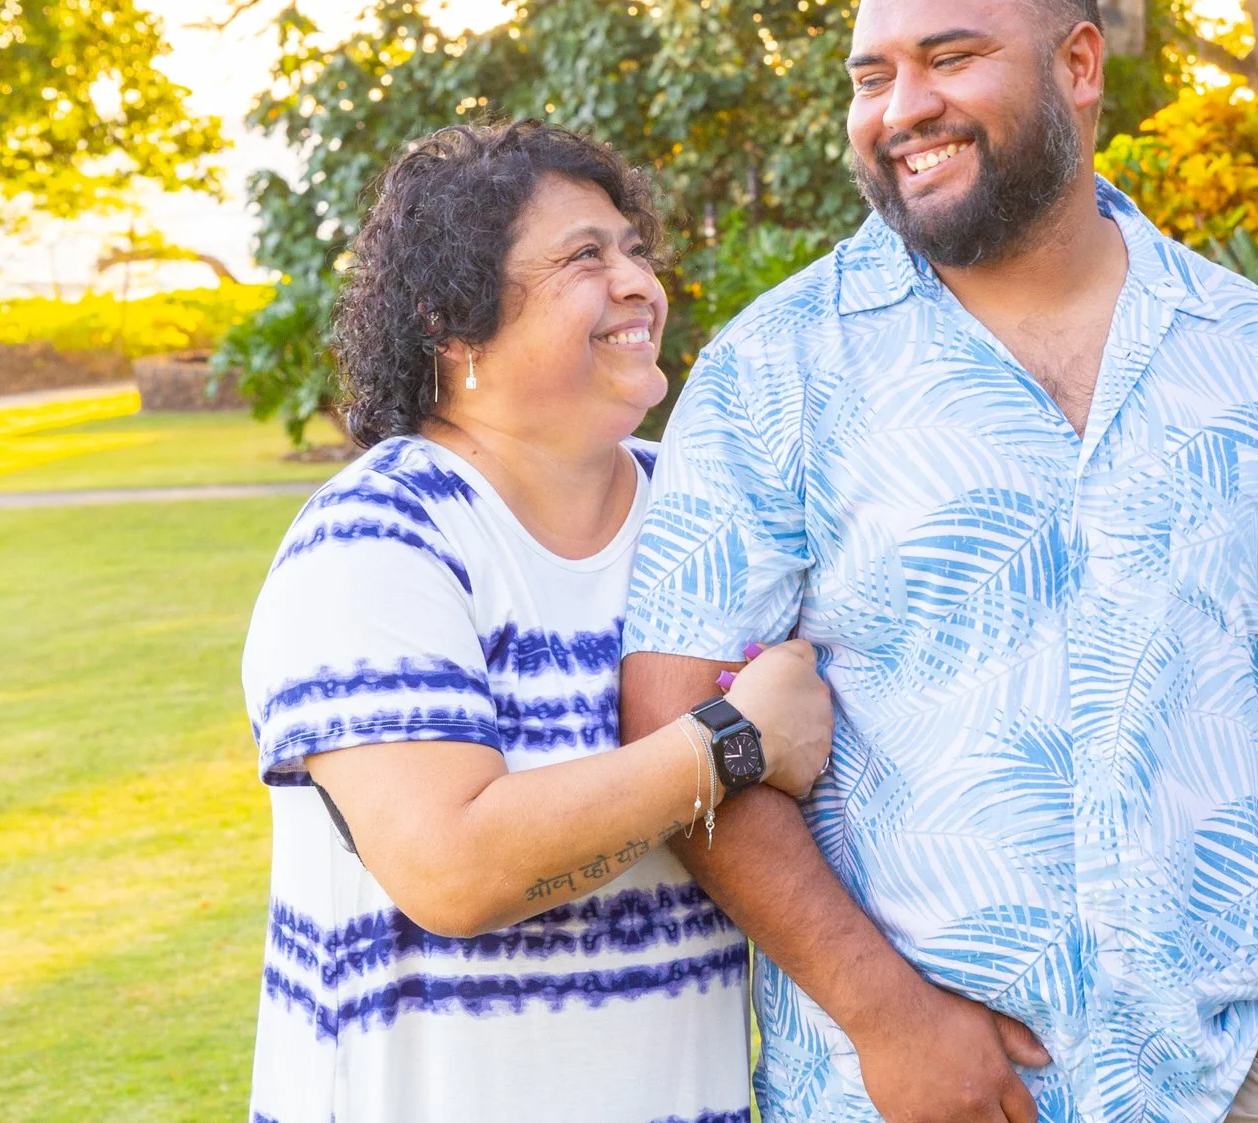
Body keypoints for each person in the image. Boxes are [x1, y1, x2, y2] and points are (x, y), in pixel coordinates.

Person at [621, 0, 1258, 1123]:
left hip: (1208, 1091)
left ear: (1080, 65)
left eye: (950, 57)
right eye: (872, 75)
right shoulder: (776, 368)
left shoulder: (1251, 354)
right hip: (891, 1096)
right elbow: (672, 720)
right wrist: (886, 1011)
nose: (902, 108)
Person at [240, 121, 833, 1123]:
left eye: (634, 248)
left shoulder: (702, 512)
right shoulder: (376, 537)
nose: (638, 282)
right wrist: (735, 742)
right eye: (583, 257)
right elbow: (453, 865)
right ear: (451, 319)